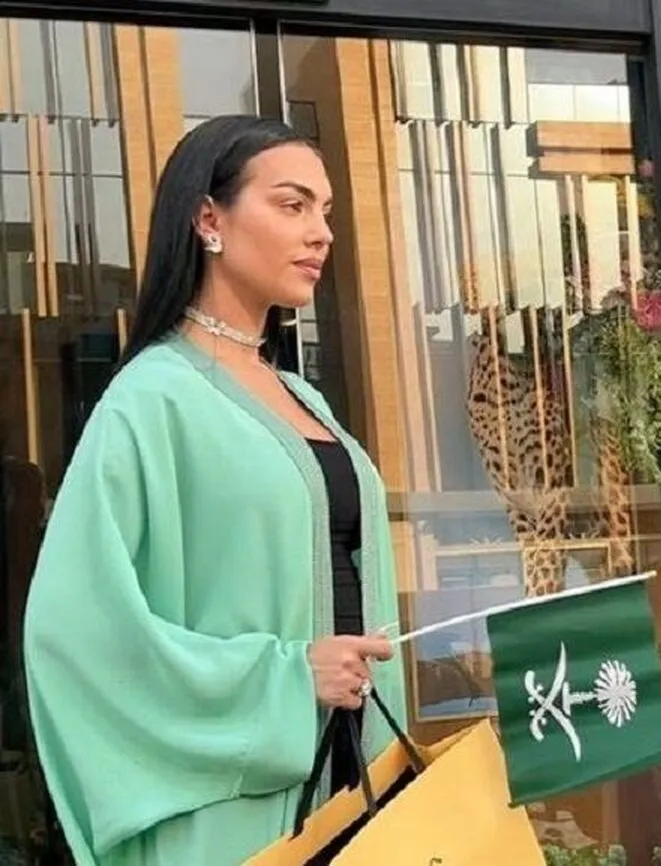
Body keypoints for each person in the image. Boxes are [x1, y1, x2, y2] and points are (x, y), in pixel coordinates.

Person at [21, 114, 407, 865]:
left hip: (353, 787)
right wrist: (282, 679)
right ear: (209, 220)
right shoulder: (151, 399)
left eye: (325, 210)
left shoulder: (302, 397)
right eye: (292, 205)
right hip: (235, 817)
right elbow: (74, 634)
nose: (322, 233)